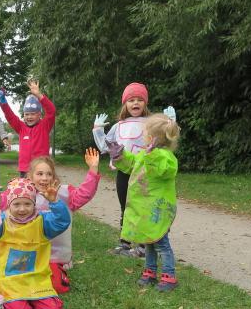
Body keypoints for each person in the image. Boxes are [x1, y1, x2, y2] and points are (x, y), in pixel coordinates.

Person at [93, 82, 176, 257]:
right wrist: (98, 130)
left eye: (139, 99)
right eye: (131, 100)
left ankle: (145, 245)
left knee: (145, 207)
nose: (135, 103)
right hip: (124, 172)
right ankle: (125, 243)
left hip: (146, 173)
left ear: (145, 103)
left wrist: (171, 122)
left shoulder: (152, 123)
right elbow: (105, 146)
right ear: (125, 104)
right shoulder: (118, 126)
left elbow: (167, 139)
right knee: (126, 206)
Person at [0, 178, 71, 309]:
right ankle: (14, 301)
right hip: (10, 281)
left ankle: (33, 300)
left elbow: (62, 222)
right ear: (9, 205)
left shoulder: (43, 222)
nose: (22, 209)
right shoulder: (2, 223)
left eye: (27, 204)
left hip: (36, 279)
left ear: (34, 204)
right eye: (17, 204)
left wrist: (55, 202)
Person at [107, 113, 181, 291]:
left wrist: (152, 156)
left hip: (157, 209)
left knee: (161, 243)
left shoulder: (166, 156)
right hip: (145, 208)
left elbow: (165, 171)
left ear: (152, 137)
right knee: (149, 241)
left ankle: (169, 275)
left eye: (145, 133)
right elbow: (133, 164)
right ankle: (150, 271)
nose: (143, 136)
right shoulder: (144, 153)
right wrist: (120, 155)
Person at [27, 152, 100, 293]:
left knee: (57, 287)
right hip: (29, 254)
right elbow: (4, 200)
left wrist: (93, 169)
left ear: (54, 177)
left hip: (55, 256)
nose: (44, 178)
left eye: (49, 174)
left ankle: (59, 270)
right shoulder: (24, 194)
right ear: (30, 176)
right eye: (40, 174)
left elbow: (84, 194)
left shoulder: (64, 193)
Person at [0, 80, 56, 177]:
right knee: (25, 192)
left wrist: (39, 95)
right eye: (26, 114)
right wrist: (3, 102)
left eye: (33, 114)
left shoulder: (44, 126)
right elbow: (10, 116)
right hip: (24, 170)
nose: (29, 117)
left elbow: (51, 111)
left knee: (41, 192)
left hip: (42, 169)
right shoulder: (21, 127)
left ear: (39, 114)